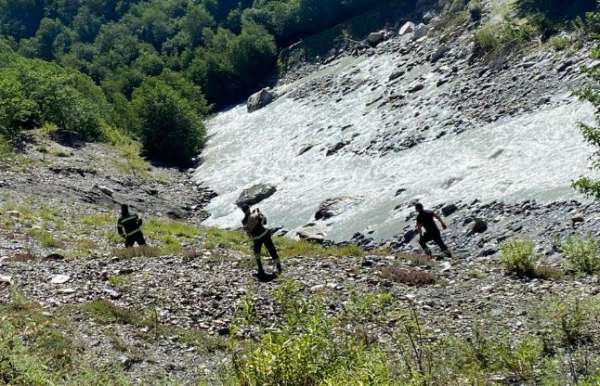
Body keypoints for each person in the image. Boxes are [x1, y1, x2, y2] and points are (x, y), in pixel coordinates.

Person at [240, 204, 282, 278]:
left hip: (256, 238)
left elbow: (248, 229)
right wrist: (260, 214)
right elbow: (264, 222)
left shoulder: (243, 221)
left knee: (257, 253)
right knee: (272, 250)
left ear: (242, 211)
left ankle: (260, 269)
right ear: (249, 208)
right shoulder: (255, 215)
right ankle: (279, 267)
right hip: (265, 234)